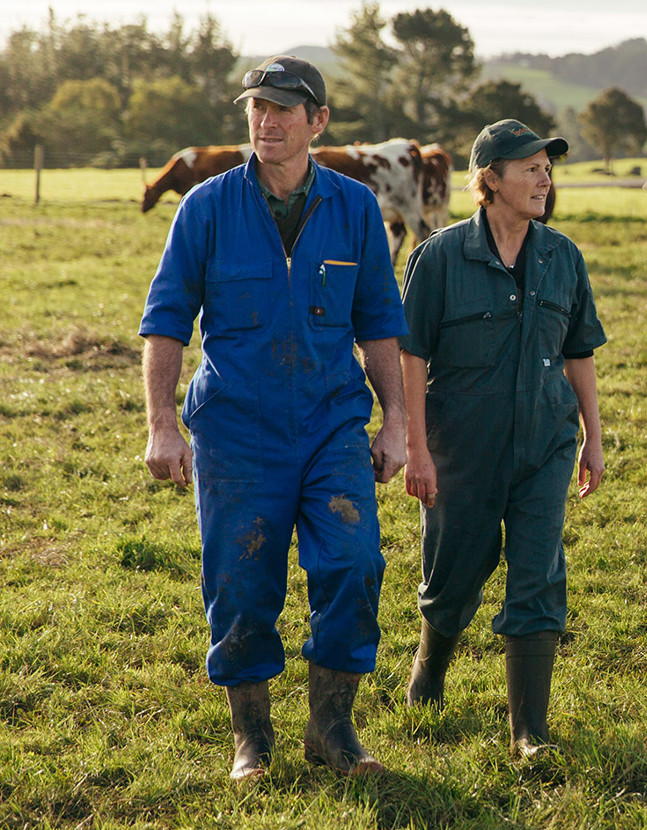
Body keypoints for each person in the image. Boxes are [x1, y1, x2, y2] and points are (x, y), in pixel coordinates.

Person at [139, 55, 407, 779]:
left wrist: (396, 423)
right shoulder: (206, 207)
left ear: (318, 121)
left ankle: (332, 728)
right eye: (258, 107)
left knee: (355, 563)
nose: (267, 120)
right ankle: (251, 737)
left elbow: (381, 323)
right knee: (240, 580)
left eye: (284, 108)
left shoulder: (354, 208)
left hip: (330, 425)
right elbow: (165, 321)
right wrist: (162, 423)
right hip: (236, 430)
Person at [399, 119, 606, 758]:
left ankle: (529, 733)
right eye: (530, 169)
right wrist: (416, 448)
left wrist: (593, 437)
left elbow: (579, 352)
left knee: (539, 574)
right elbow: (411, 355)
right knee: (456, 572)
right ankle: (429, 671)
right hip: (462, 447)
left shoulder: (562, 256)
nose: (544, 180)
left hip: (545, 442)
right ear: (490, 180)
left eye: (548, 169)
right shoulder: (439, 257)